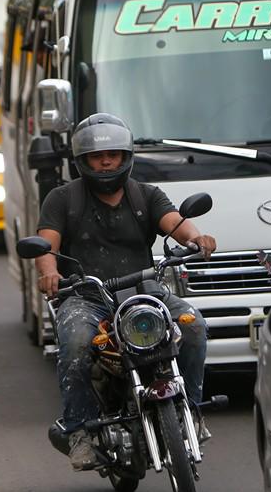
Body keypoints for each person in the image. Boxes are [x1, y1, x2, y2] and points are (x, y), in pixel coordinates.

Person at [34, 113, 217, 471]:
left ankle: (191, 412)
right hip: (88, 297)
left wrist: (196, 238)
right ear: (82, 160)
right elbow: (45, 245)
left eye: (113, 154)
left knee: (193, 326)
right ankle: (80, 430)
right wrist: (50, 272)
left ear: (125, 156)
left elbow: (176, 224)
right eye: (97, 156)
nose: (106, 161)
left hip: (145, 291)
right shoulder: (62, 199)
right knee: (73, 343)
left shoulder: (145, 194)